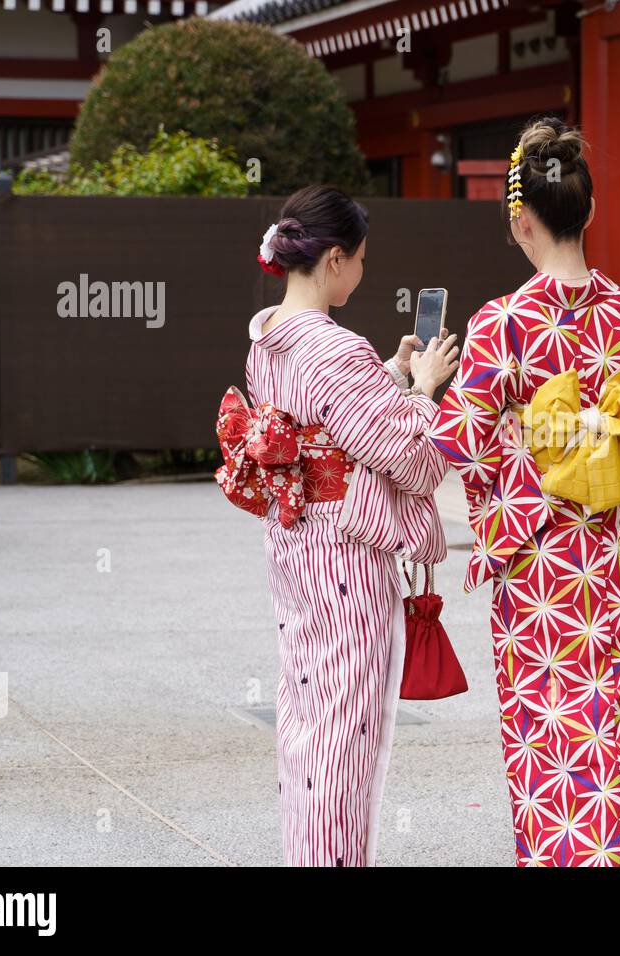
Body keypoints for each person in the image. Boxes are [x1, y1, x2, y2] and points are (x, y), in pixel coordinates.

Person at [429, 118, 620, 866]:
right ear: (587, 213)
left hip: (538, 563)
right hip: (618, 560)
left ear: (521, 220)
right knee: (609, 735)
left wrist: (526, 477)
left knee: (544, 738)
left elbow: (461, 438)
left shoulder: (503, 322)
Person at [228, 184, 458, 866]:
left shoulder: (266, 337)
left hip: (294, 544)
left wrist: (387, 372)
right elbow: (413, 461)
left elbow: (334, 419)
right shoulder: (334, 349)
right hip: (345, 560)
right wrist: (422, 390)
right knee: (342, 732)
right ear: (333, 259)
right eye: (359, 258)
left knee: (306, 713)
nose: (362, 270)